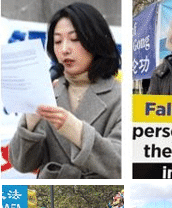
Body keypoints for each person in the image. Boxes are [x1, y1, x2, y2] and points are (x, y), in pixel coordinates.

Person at [9, 2, 121, 179]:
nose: (64, 49)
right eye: (58, 41)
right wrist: (30, 122)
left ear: (96, 40)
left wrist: (76, 130)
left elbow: (121, 165)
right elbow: (21, 164)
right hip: (52, 193)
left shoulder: (119, 97)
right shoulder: (49, 92)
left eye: (75, 39)